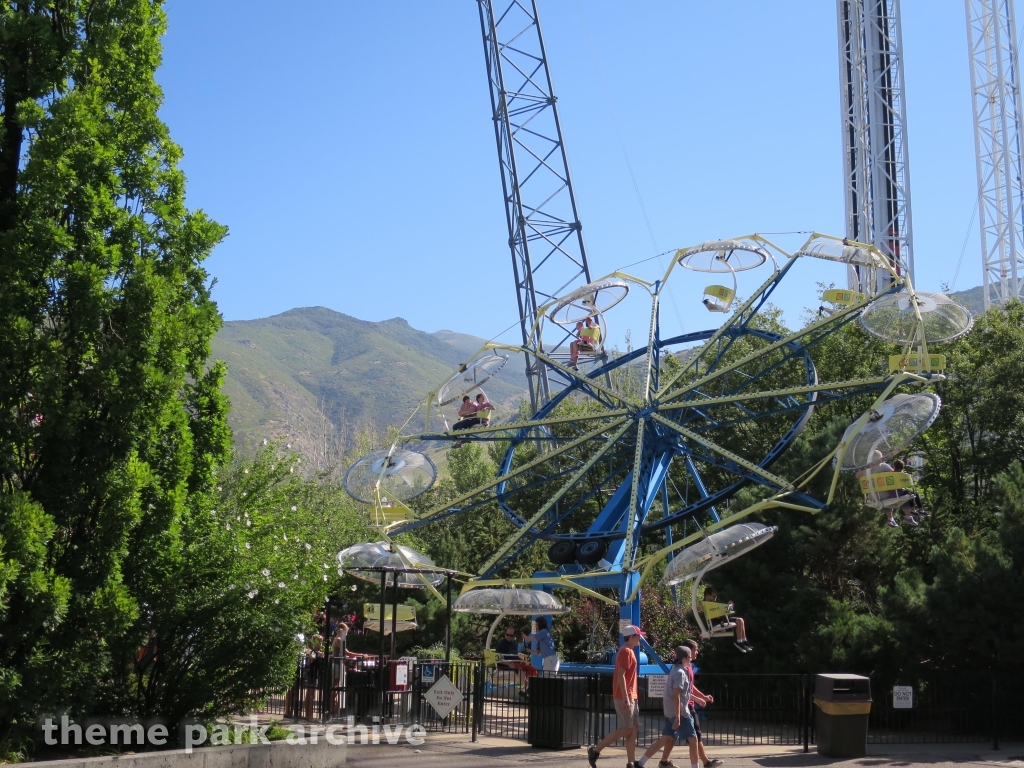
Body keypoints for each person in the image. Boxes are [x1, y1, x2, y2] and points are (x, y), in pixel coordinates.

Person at [653, 640, 722, 768]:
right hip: (685, 707)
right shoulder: (684, 669)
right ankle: (705, 762)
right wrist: (697, 699)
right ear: (687, 652)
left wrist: (701, 697)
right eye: (695, 650)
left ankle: (663, 762)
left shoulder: (685, 667)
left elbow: (689, 687)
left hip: (685, 705)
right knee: (693, 737)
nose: (697, 652)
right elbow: (681, 692)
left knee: (673, 737)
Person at [588, 625, 645, 768]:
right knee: (626, 728)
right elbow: (621, 675)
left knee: (633, 728)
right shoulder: (626, 651)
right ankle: (595, 750)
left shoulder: (628, 650)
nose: (640, 638)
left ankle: (631, 762)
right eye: (638, 636)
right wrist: (626, 698)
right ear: (631, 637)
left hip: (631, 695)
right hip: (625, 696)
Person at [634, 645, 698, 768]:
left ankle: (640, 763)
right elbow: (676, 695)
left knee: (664, 739)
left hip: (669, 711)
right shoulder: (680, 673)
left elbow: (682, 693)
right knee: (693, 739)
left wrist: (698, 699)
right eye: (689, 657)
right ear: (684, 658)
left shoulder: (675, 669)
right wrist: (678, 717)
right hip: (680, 712)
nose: (691, 659)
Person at [856, 449, 916, 527]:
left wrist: (861, 470)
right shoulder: (884, 466)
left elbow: (857, 476)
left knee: (884, 499)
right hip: (885, 496)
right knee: (905, 496)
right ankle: (908, 517)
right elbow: (895, 475)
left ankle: (890, 518)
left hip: (872, 497)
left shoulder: (866, 470)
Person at [703, 588, 751, 653]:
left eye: (716, 596)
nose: (715, 598)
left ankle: (744, 640)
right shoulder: (708, 605)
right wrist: (728, 608)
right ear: (708, 596)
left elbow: (721, 614)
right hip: (717, 624)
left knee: (741, 620)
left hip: (721, 621)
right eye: (714, 596)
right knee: (739, 620)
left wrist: (728, 608)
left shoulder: (711, 604)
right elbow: (718, 616)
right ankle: (739, 642)